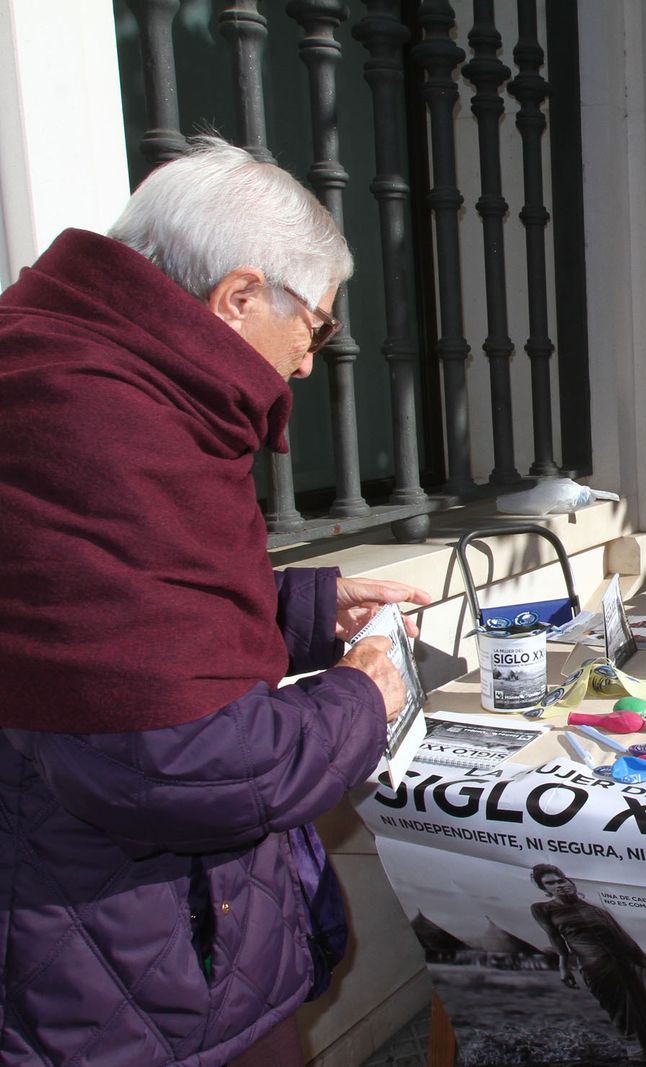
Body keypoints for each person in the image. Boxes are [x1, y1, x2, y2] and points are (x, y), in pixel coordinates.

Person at [0, 137, 432, 1065]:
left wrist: (306, 610)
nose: (310, 362)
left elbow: (123, 615)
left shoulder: (64, 369)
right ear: (239, 297)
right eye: (313, 326)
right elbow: (174, 761)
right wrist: (365, 696)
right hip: (114, 958)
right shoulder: (107, 418)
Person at [530, 865, 646, 1066]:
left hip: (624, 964)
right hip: (595, 966)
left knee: (643, 1010)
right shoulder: (543, 909)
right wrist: (563, 966)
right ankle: (639, 1056)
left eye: (561, 880)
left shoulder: (597, 910)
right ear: (545, 889)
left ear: (570, 882)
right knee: (620, 1012)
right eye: (550, 883)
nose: (558, 885)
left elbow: (626, 941)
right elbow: (555, 938)